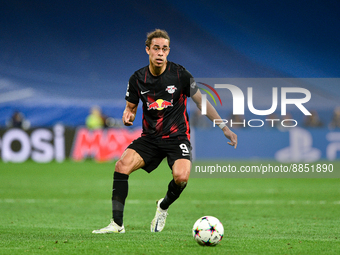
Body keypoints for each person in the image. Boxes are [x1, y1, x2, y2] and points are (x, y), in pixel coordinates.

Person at [92, 29, 237, 234]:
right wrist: (128, 115)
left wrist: (224, 127)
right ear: (147, 50)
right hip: (150, 138)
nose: (160, 53)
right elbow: (130, 108)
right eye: (156, 48)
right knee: (121, 165)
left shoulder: (180, 75)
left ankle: (163, 206)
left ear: (168, 51)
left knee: (181, 178)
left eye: (164, 49)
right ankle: (117, 225)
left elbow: (202, 102)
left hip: (177, 137)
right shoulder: (137, 78)